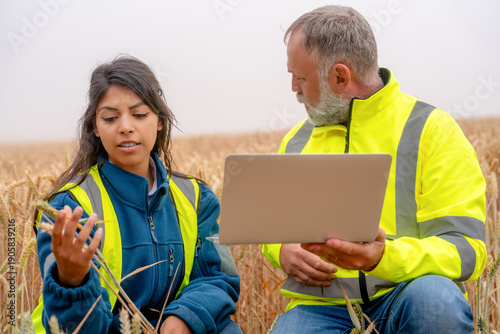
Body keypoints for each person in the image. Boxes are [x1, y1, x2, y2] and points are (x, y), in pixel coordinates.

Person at [262, 5, 487, 333]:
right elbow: (271, 224)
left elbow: (466, 249)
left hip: (407, 292)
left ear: (340, 77)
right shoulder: (295, 142)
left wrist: (384, 258)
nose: (294, 89)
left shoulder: (432, 130)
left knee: (437, 303)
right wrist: (282, 250)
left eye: (300, 77)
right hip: (321, 307)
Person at [31, 55, 242, 334]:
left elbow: (218, 278)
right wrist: (71, 282)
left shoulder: (196, 198)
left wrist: (183, 319)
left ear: (159, 121)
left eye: (140, 114)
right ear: (95, 127)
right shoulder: (69, 208)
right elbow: (73, 328)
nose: (125, 127)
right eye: (110, 118)